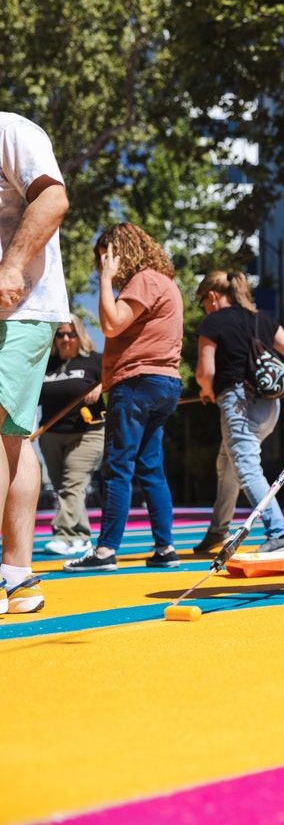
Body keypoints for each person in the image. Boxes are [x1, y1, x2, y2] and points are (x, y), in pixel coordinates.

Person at [64, 223, 184, 573]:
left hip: (137, 384)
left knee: (117, 468)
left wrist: (104, 279)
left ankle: (104, 552)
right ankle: (165, 547)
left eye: (106, 258)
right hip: (162, 382)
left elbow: (112, 325)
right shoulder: (165, 282)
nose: (104, 267)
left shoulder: (144, 280)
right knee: (150, 467)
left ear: (120, 253)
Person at [192, 269, 284, 556]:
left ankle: (278, 533)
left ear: (213, 296)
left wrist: (205, 389)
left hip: (239, 403)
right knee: (227, 465)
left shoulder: (213, 321)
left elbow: (206, 372)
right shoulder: (261, 318)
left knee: (247, 467)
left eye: (202, 300)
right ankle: (218, 530)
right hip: (269, 405)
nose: (203, 306)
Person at [0, 112, 69, 616]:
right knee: (12, 436)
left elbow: (53, 198)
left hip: (17, 307)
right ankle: (18, 577)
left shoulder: (11, 131)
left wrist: (11, 266)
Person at [38, 315, 105, 555]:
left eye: (71, 334)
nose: (66, 339)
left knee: (71, 486)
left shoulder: (95, 361)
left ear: (79, 335)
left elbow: (116, 378)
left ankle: (64, 535)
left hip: (88, 433)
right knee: (65, 490)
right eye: (61, 334)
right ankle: (81, 536)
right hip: (50, 434)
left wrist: (100, 386)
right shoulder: (46, 364)